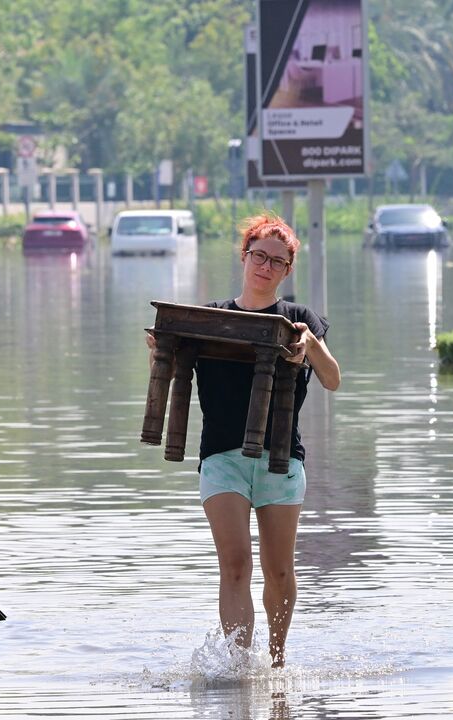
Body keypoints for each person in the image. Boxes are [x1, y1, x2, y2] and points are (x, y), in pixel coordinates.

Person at [151, 213, 340, 667]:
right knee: (235, 566)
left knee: (279, 570)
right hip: (222, 457)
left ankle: (275, 664)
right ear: (245, 256)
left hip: (281, 461)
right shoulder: (211, 318)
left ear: (287, 270)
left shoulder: (300, 321)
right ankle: (238, 666)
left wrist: (311, 344)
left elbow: (333, 380)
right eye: (259, 256)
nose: (265, 266)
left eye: (277, 261)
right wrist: (159, 352)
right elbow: (174, 375)